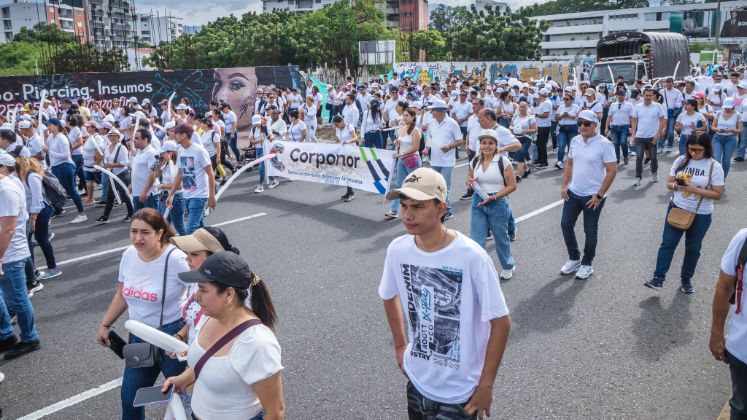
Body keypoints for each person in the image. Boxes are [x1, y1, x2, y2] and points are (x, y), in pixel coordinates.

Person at [379, 167, 511, 419]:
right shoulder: (398, 249)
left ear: (441, 209)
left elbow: (501, 323)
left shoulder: (471, 256)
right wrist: (400, 345)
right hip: (417, 380)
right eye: (404, 205)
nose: (407, 214)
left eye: (418, 207)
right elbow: (388, 294)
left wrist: (486, 385)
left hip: (461, 391)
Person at [162, 251, 284, 420]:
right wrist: (184, 379)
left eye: (203, 290)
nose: (196, 296)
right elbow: (208, 363)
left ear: (228, 295)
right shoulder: (207, 316)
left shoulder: (257, 343)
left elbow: (275, 413)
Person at [95, 209, 189, 420]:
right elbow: (122, 293)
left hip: (171, 338)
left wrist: (182, 334)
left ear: (159, 233)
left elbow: (200, 301)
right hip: (139, 338)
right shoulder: (129, 254)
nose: (138, 238)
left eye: (145, 232)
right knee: (131, 398)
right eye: (133, 231)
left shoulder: (176, 259)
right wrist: (105, 324)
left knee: (186, 400)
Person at [643, 133, 724, 293]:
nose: (693, 153)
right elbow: (669, 183)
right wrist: (676, 186)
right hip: (677, 206)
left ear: (706, 148)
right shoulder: (681, 160)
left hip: (701, 213)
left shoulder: (714, 166)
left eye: (698, 150)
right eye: (691, 149)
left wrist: (693, 189)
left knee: (693, 248)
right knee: (667, 243)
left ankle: (686, 279)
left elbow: (718, 194)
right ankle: (658, 278)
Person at [559, 110, 617, 280]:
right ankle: (574, 258)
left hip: (593, 196)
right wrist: (565, 185)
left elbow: (612, 171)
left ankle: (587, 264)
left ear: (595, 124)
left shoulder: (605, 144)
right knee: (565, 225)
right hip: (574, 192)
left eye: (586, 124)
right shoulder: (575, 140)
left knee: (590, 231)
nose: (582, 127)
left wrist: (599, 195)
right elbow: (570, 163)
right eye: (580, 124)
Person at [169, 227, 240, 348]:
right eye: (188, 253)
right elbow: (194, 319)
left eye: (194, 254)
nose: (187, 258)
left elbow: (234, 337)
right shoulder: (196, 280)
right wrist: (180, 336)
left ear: (215, 258)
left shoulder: (229, 292)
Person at [0, 154, 41, 360]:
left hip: (10, 255)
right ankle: (6, 334)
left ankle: (30, 338)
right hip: (6, 253)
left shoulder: (6, 189)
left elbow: (8, 229)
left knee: (17, 298)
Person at [468, 129, 517, 279]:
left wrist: (494, 197)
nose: (486, 146)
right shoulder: (475, 160)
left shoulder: (503, 161)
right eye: (483, 143)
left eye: (490, 143)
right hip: (478, 201)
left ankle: (508, 265)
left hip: (498, 202)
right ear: (480, 144)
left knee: (500, 237)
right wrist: (470, 183)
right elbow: (470, 179)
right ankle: (480, 267)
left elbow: (512, 186)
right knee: (477, 238)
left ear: (496, 145)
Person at [711, 228, 747, 420]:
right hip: (743, 351)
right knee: (741, 410)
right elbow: (725, 286)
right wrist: (716, 333)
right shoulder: (744, 239)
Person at [166, 122, 216, 235]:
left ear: (183, 135)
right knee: (201, 229)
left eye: (176, 133)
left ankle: (189, 252)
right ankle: (212, 248)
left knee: (190, 231)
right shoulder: (181, 150)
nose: (174, 135)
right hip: (187, 195)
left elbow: (210, 173)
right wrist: (171, 194)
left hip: (199, 196)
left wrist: (212, 196)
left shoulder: (199, 150)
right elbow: (180, 173)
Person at [16, 155, 59, 280]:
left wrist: (33, 217)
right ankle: (33, 270)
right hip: (33, 212)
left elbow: (38, 199)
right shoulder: (23, 176)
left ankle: (52, 268)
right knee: (32, 240)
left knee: (41, 239)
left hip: (40, 211)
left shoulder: (32, 176)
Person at [423, 100, 463, 221]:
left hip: (447, 162)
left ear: (440, 111)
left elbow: (460, 140)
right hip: (434, 160)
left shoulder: (452, 123)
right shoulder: (431, 122)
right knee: (436, 186)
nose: (431, 113)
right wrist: (426, 149)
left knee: (444, 187)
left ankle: (444, 211)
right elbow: (429, 138)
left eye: (433, 110)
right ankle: (448, 210)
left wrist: (450, 146)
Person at [45, 119, 87, 223]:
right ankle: (56, 209)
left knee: (71, 190)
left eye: (49, 125)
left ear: (56, 126)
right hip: (56, 167)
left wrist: (49, 152)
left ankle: (82, 214)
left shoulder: (62, 138)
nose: (48, 127)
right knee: (54, 189)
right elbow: (48, 149)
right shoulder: (51, 137)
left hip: (65, 166)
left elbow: (65, 155)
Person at [385, 108, 422, 218]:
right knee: (399, 185)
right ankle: (394, 210)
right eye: (404, 115)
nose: (405, 117)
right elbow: (401, 143)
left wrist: (401, 154)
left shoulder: (416, 130)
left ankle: (419, 208)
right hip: (402, 160)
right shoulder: (402, 128)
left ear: (413, 117)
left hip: (412, 161)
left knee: (414, 185)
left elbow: (415, 148)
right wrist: (397, 142)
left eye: (407, 115)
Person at [96, 128, 134, 224]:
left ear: (118, 137)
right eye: (111, 136)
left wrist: (111, 165)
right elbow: (106, 161)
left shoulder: (122, 148)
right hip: (112, 175)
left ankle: (131, 214)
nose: (113, 137)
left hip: (122, 174)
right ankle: (105, 216)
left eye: (115, 136)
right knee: (110, 196)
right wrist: (101, 159)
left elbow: (125, 162)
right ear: (108, 137)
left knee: (125, 196)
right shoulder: (107, 148)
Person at [631, 88, 667, 186]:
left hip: (652, 136)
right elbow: (634, 121)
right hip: (640, 136)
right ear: (643, 95)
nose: (648, 97)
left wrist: (657, 134)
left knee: (653, 157)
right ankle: (638, 178)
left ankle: (654, 173)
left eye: (650, 95)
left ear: (653, 96)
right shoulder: (637, 107)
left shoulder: (658, 106)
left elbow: (662, 120)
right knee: (639, 157)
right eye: (646, 95)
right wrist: (633, 135)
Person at [153, 141, 186, 235]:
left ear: (170, 153)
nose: (161, 155)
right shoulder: (167, 163)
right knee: (164, 225)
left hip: (177, 197)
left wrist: (163, 185)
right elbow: (156, 174)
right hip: (165, 196)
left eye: (163, 153)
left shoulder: (179, 163)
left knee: (179, 226)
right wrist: (163, 161)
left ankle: (186, 245)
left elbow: (180, 185)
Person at [711, 98, 743, 179]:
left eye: (729, 107)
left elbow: (740, 130)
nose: (727, 109)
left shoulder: (738, 115)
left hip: (730, 139)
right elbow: (713, 127)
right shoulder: (718, 113)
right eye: (725, 107)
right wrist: (719, 130)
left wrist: (732, 130)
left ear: (733, 106)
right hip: (717, 138)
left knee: (726, 160)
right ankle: (715, 179)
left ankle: (722, 179)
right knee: (717, 159)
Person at [131, 129, 161, 212]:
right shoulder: (140, 152)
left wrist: (145, 191)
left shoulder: (152, 153)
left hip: (148, 195)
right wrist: (132, 185)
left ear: (145, 139)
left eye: (137, 138)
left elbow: (153, 174)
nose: (134, 140)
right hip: (137, 193)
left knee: (152, 222)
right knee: (139, 222)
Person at [333, 115, 359, 202]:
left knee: (348, 172)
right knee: (345, 172)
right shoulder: (337, 129)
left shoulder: (349, 127)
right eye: (335, 125)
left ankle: (351, 192)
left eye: (337, 125)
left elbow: (356, 138)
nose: (336, 127)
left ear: (342, 122)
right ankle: (349, 191)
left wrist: (348, 142)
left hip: (351, 153)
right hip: (343, 153)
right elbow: (337, 140)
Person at [510, 101, 537, 181]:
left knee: (520, 154)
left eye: (524, 107)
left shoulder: (530, 118)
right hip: (516, 138)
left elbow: (535, 129)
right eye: (520, 107)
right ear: (518, 108)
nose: (522, 108)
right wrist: (513, 130)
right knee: (517, 155)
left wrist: (526, 131)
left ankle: (518, 176)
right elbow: (510, 126)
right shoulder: (515, 116)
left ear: (527, 108)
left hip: (526, 139)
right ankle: (527, 170)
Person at [606, 89, 634, 165]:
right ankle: (617, 159)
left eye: (622, 95)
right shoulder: (613, 105)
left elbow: (631, 117)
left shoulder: (629, 105)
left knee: (623, 142)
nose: (620, 97)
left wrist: (632, 128)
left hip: (624, 127)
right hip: (614, 127)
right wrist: (606, 128)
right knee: (616, 143)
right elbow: (609, 117)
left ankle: (625, 156)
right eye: (619, 95)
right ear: (617, 96)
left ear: (625, 96)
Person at [554, 93, 580, 169]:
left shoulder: (576, 107)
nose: (565, 101)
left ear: (571, 100)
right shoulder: (561, 107)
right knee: (561, 145)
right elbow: (556, 118)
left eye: (567, 99)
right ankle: (560, 161)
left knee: (571, 146)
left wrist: (569, 116)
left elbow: (578, 118)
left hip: (572, 128)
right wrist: (562, 116)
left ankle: (570, 162)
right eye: (564, 99)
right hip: (562, 128)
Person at [658, 77, 684, 153]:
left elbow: (681, 102)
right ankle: (660, 146)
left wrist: (677, 106)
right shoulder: (661, 91)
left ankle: (670, 145)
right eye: (667, 82)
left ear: (673, 83)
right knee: (663, 130)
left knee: (671, 131)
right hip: (663, 113)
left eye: (670, 82)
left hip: (672, 113)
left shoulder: (677, 92)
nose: (668, 84)